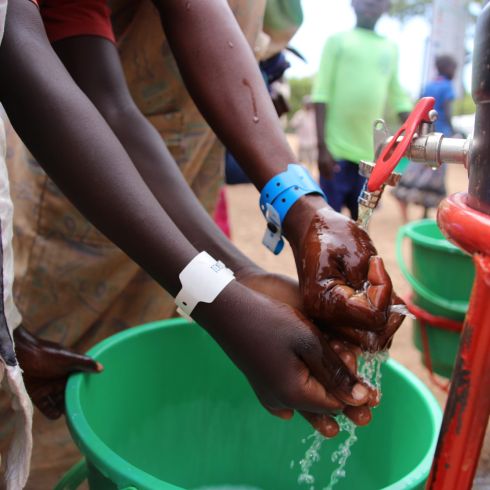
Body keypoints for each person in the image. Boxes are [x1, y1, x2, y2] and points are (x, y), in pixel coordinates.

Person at [0, 0, 403, 486]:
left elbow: (114, 107)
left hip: (157, 173)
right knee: (50, 423)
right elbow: (28, 62)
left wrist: (300, 218)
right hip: (77, 200)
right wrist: (216, 294)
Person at [312, 0, 412, 220]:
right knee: (328, 223)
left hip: (369, 158)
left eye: (377, 2)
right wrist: (322, 148)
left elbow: (398, 96)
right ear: (353, 4)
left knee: (362, 227)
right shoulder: (338, 41)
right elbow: (321, 95)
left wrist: (416, 123)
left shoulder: (390, 48)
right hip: (335, 153)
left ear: (386, 7)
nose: (370, 5)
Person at [393, 55, 457, 222]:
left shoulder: (429, 86)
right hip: (440, 140)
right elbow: (448, 112)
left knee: (414, 172)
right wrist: (455, 130)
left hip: (423, 136)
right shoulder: (448, 87)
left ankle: (407, 214)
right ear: (447, 68)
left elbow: (419, 109)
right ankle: (424, 213)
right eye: (453, 69)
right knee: (434, 178)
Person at [290, 95, 318, 166]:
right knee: (302, 162)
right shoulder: (300, 114)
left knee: (313, 162)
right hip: (303, 143)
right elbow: (293, 124)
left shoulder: (314, 115)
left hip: (313, 143)